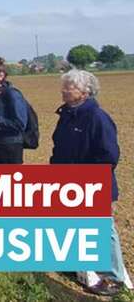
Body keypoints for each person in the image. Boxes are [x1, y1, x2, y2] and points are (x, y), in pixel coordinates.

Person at [50, 70, 127, 296]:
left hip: (93, 185)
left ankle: (114, 277)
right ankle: (77, 267)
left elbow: (109, 155)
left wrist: (87, 181)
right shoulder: (66, 115)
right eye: (64, 86)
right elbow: (59, 147)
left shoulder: (97, 118)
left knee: (103, 229)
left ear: (84, 92)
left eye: (69, 87)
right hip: (68, 185)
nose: (63, 91)